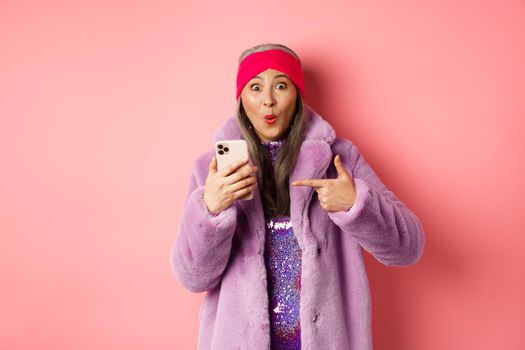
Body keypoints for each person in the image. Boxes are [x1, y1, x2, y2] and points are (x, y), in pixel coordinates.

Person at [170, 43, 425, 350]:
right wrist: (211, 210)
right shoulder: (210, 171)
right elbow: (192, 279)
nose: (268, 101)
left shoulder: (339, 160)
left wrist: (356, 204)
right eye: (255, 87)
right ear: (241, 99)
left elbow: (408, 247)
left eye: (280, 85)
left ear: (297, 95)